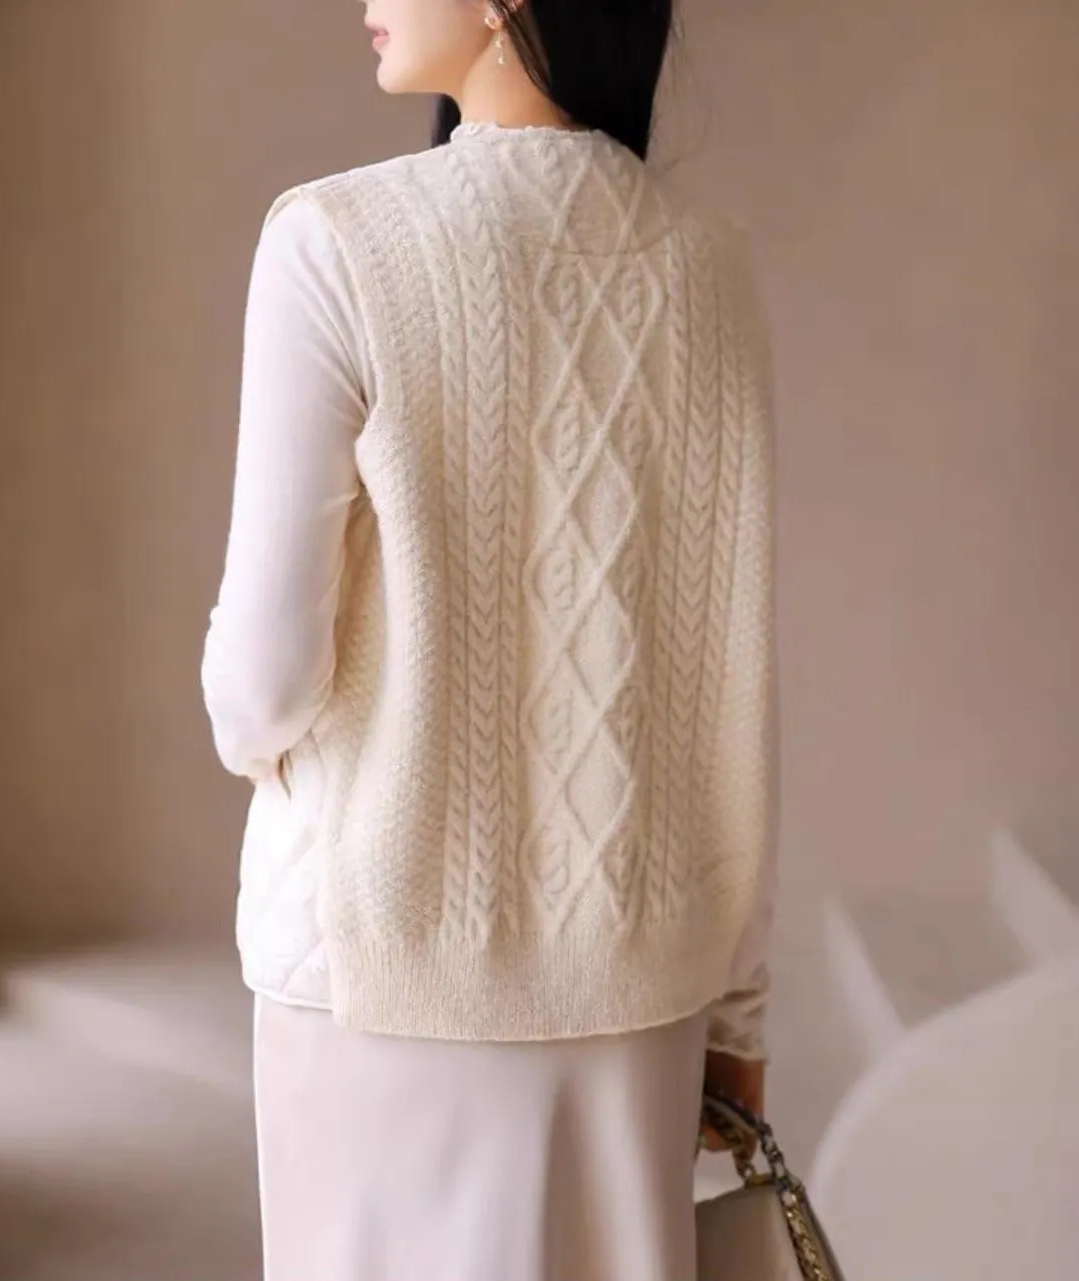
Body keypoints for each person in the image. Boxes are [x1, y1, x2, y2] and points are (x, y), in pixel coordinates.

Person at [201, 2, 778, 1278]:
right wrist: (739, 1012)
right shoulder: (710, 263)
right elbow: (733, 689)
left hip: (378, 965)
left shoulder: (336, 241)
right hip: (642, 979)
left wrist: (266, 745)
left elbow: (262, 686)